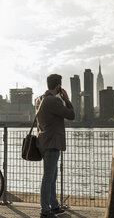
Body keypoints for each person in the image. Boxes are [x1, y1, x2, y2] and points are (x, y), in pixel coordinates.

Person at [35, 74, 75, 218]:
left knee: (52, 176)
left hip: (43, 142)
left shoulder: (39, 99)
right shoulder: (53, 101)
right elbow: (71, 115)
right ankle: (45, 211)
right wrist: (67, 100)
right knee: (48, 177)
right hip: (52, 143)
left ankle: (54, 206)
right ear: (58, 86)